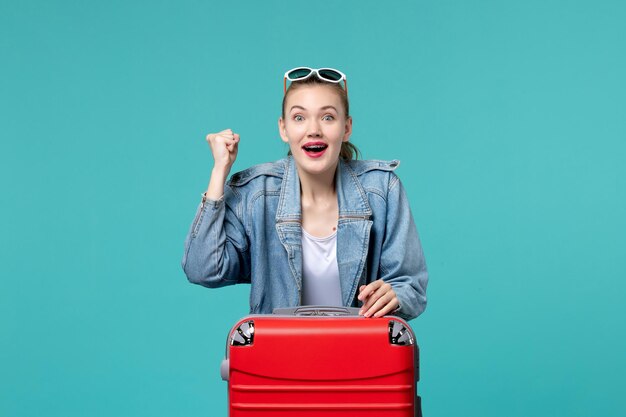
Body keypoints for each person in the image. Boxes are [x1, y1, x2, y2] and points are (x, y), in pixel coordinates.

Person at [182, 67, 428, 320]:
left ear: (346, 128)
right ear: (283, 128)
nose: (313, 130)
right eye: (299, 118)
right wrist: (220, 170)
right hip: (280, 357)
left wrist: (396, 296)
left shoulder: (382, 190)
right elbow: (203, 269)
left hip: (358, 354)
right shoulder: (257, 194)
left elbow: (411, 287)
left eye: (328, 117)